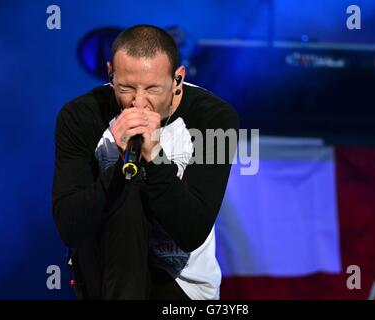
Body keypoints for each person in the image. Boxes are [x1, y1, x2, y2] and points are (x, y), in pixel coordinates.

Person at [52, 24, 239, 300]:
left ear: (178, 79)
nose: (138, 103)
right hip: (106, 274)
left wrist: (154, 158)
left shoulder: (214, 120)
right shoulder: (79, 117)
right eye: (126, 87)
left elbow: (192, 230)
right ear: (110, 74)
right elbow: (70, 227)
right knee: (125, 194)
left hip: (181, 284)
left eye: (153, 89)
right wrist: (117, 166)